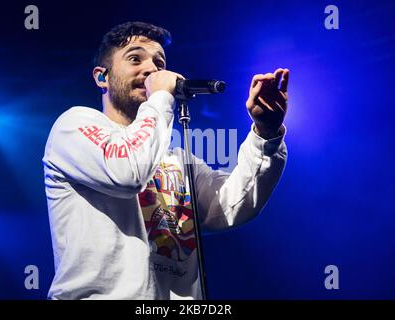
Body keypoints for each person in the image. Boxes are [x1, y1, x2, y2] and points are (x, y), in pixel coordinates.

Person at [43, 21, 289, 300]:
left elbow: (233, 205)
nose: (151, 69)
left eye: (159, 63)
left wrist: (265, 133)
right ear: (102, 77)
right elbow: (127, 172)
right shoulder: (74, 125)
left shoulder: (177, 158)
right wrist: (160, 96)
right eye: (135, 58)